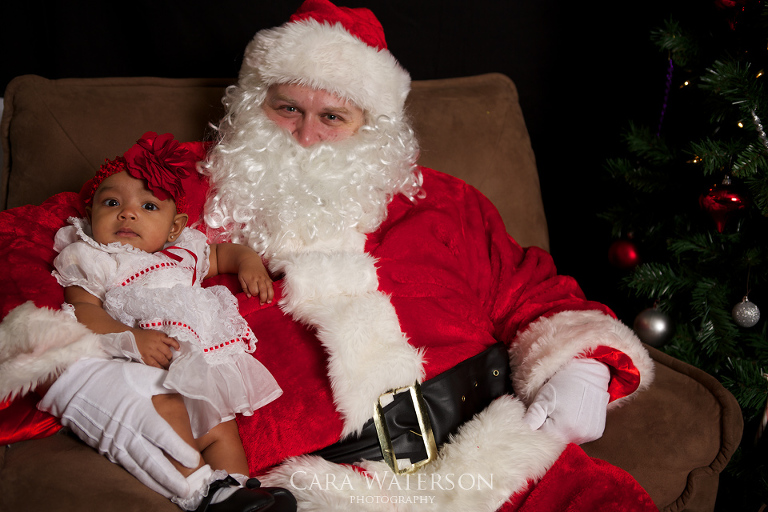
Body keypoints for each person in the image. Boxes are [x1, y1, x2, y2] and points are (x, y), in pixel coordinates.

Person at [0, 1, 659, 510]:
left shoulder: (442, 201)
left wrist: (584, 366)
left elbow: (531, 289)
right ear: (254, 107)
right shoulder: (174, 192)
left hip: (501, 444)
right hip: (326, 477)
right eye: (287, 107)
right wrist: (84, 347)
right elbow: (26, 241)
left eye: (333, 117)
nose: (307, 136)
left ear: (372, 129)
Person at [39, 131, 291, 512]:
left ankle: (239, 492)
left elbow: (225, 253)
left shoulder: (184, 251)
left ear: (175, 228)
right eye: (111, 203)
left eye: (149, 207)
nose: (128, 213)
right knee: (167, 414)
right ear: (91, 217)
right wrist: (131, 337)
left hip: (197, 364)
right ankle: (202, 494)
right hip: (138, 360)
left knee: (221, 429)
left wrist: (250, 262)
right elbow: (84, 310)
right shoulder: (94, 257)